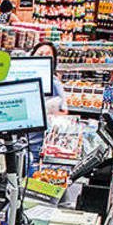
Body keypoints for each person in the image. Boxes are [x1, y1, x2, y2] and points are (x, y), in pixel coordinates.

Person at [28, 41, 68, 169]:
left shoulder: (54, 83)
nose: (43, 57)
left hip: (38, 141)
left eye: (47, 54)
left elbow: (63, 112)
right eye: (40, 54)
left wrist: (46, 112)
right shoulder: (21, 77)